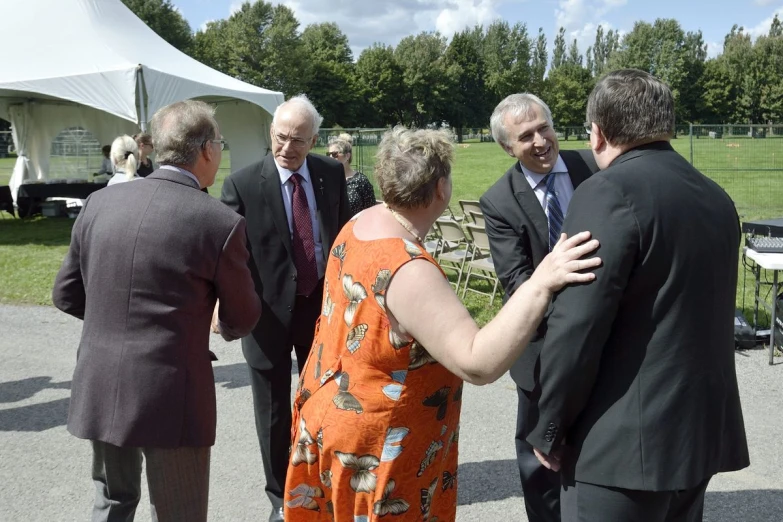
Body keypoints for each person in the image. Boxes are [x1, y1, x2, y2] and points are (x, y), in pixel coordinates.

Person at [283, 126, 601, 521]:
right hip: (379, 448)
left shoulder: (362, 222)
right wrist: (542, 282)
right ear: (440, 189)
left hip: (331, 420)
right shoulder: (407, 267)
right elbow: (477, 361)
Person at [527, 69, 750, 521]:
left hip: (621, 450)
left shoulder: (606, 191)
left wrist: (549, 425)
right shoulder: (716, 197)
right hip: (695, 439)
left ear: (599, 133)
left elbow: (578, 325)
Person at [52, 99, 262, 522]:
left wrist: (111, 320)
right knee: (178, 511)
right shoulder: (218, 222)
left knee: (111, 503)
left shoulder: (99, 204)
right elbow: (242, 317)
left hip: (102, 379)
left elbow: (66, 294)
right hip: (172, 392)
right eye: (219, 143)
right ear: (205, 150)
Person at [218, 94, 352, 522]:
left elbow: (344, 236)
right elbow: (227, 257)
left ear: (314, 139)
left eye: (297, 140)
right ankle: (281, 496)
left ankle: (324, 480)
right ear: (270, 133)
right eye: (280, 137)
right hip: (268, 315)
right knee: (274, 410)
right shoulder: (241, 184)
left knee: (327, 400)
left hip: (321, 308)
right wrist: (227, 308)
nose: (287, 148)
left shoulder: (331, 173)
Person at [479, 93, 598, 522]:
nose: (541, 141)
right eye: (525, 136)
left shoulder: (594, 166)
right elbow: (517, 283)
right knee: (541, 465)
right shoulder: (500, 201)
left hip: (608, 339)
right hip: (543, 353)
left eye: (544, 127)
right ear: (507, 147)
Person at [327, 132, 376, 216]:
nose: (331, 157)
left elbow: (371, 211)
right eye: (329, 154)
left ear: (347, 156)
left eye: (335, 154)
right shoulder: (326, 180)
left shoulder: (361, 181)